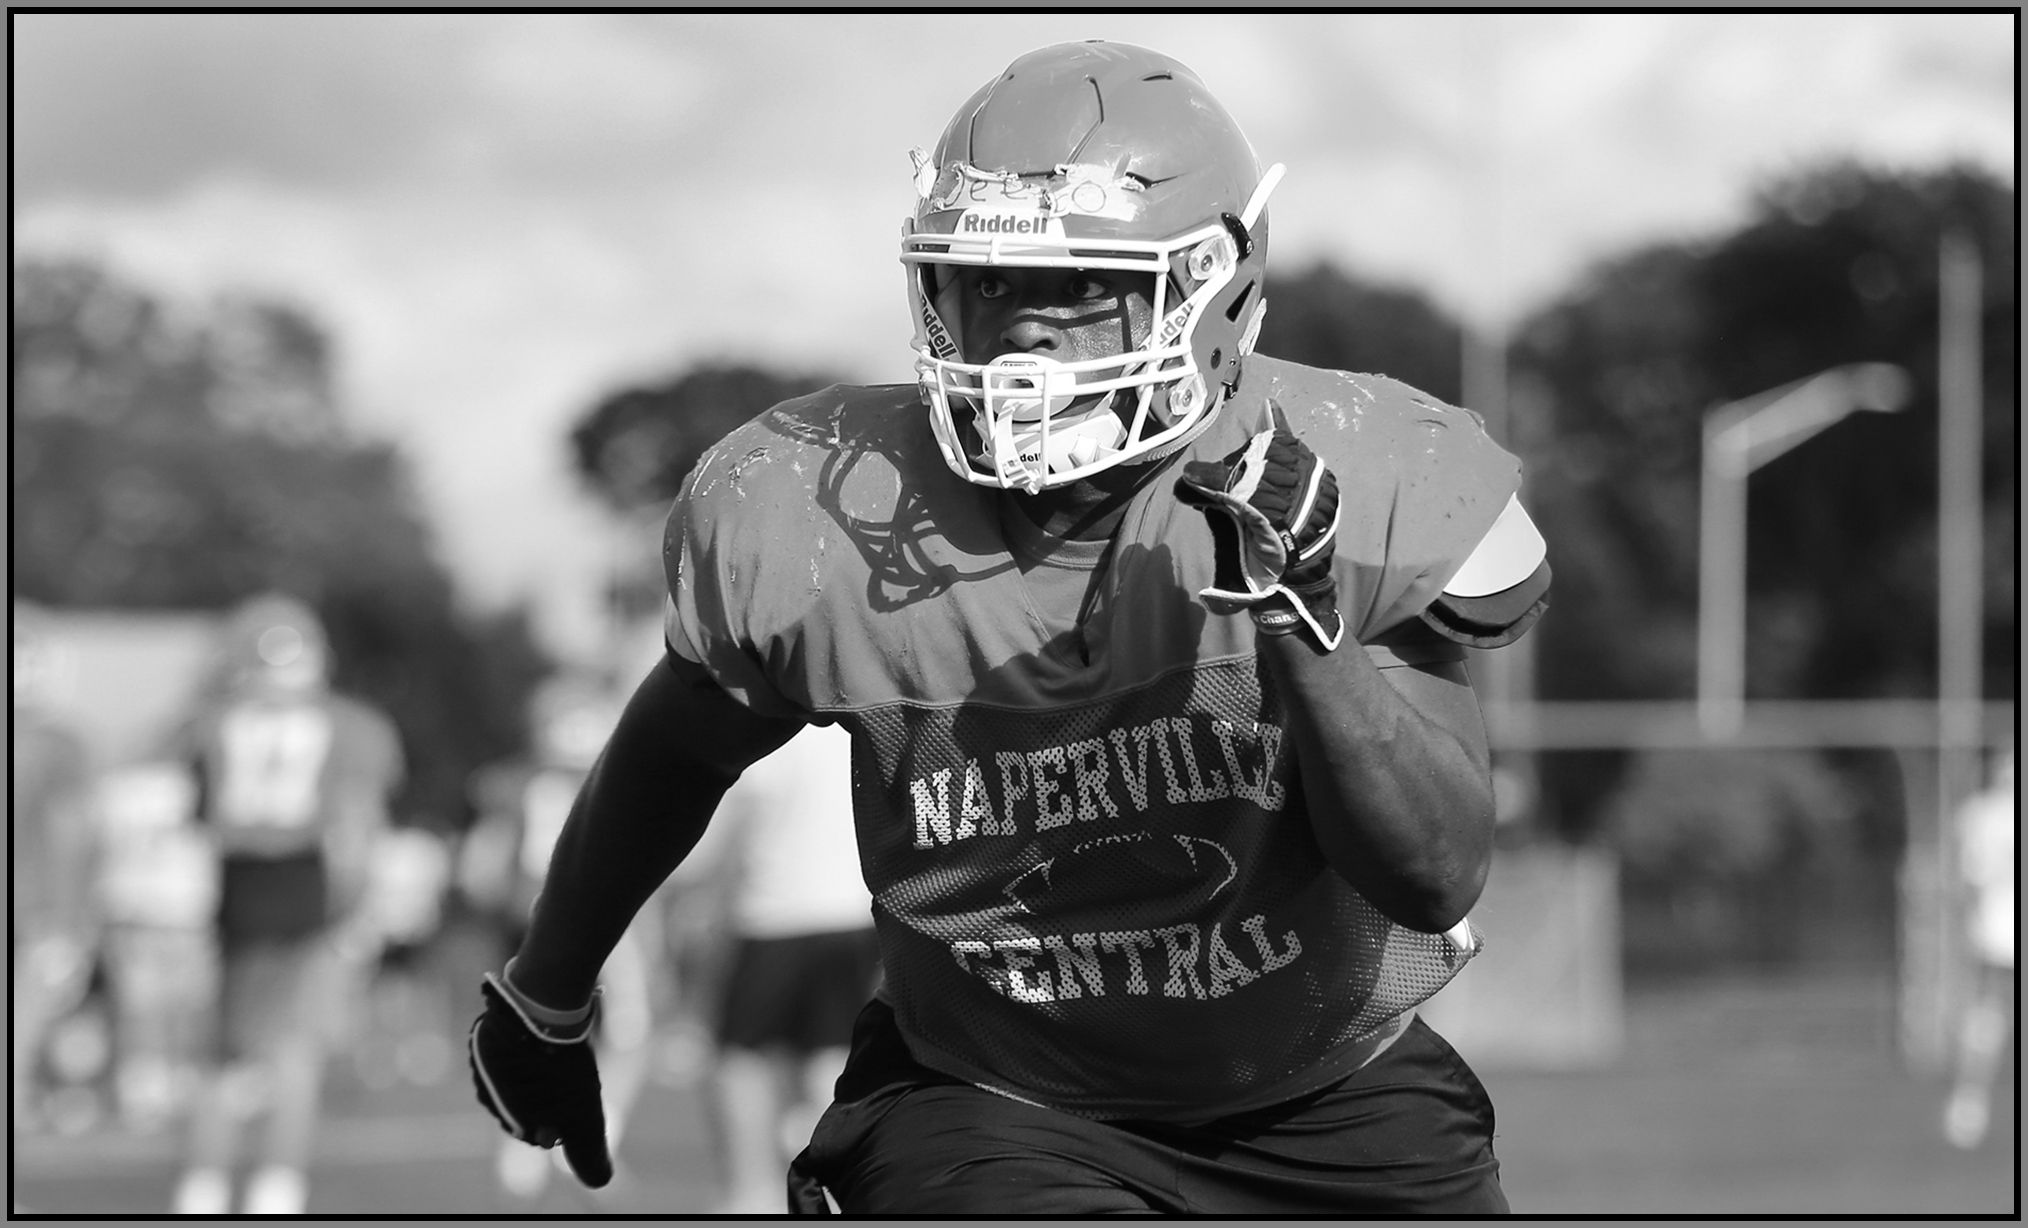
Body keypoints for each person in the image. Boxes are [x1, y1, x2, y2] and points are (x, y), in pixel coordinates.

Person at [469, 40, 1549, 1215]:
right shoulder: (818, 512)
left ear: (1213, 291)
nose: (1022, 332)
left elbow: (1435, 874)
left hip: (1324, 1084)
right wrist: (547, 993)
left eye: (1077, 284)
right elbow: (675, 752)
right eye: (987, 285)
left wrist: (1307, 628)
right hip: (995, 1095)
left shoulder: (1355, 469)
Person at [170, 594, 405, 1216]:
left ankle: (204, 1185)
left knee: (224, 1055)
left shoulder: (212, 721)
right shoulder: (352, 725)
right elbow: (357, 822)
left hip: (237, 886)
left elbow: (195, 816)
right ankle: (276, 1186)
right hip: (307, 881)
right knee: (293, 1051)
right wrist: (360, 907)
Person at [459, 671, 660, 1205]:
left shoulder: (512, 781)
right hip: (603, 914)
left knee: (536, 1030)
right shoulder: (624, 773)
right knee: (630, 1030)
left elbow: (478, 870)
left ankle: (525, 1143)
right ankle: (593, 1136)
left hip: (529, 914)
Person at [676, 722, 879, 1212]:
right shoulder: (853, 727)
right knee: (830, 1054)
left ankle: (752, 1193)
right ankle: (831, 1189)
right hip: (850, 913)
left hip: (774, 914)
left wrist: (701, 897)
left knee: (740, 1057)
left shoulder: (769, 727)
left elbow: (734, 831)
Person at [12, 602, 101, 1133]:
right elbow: (72, 835)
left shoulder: (57, 743)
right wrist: (72, 918)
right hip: (36, 907)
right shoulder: (56, 743)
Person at [1942, 750, 2014, 1150]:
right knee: (1988, 1016)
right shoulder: (1982, 814)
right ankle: (1969, 1101)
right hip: (1997, 931)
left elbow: (1965, 880)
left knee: (1987, 1016)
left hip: (1992, 933)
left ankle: (1969, 1103)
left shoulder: (1979, 814)